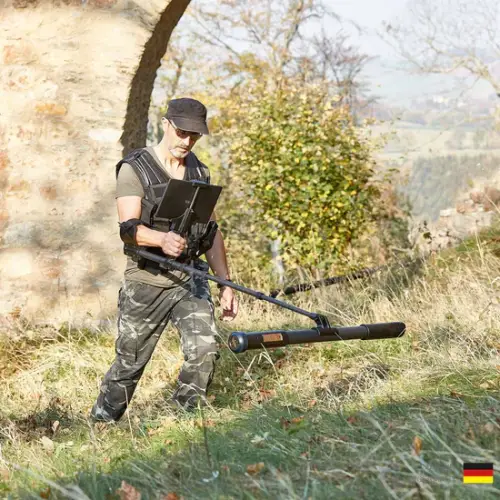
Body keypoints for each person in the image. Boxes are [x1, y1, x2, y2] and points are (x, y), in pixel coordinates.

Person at [90, 97, 238, 422]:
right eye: (182, 132)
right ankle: (100, 425)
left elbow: (212, 232)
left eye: (194, 135)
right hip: (146, 282)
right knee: (129, 364)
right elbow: (128, 229)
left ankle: (182, 422)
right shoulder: (135, 169)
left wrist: (226, 284)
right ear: (166, 124)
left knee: (204, 351)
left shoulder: (200, 171)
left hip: (190, 278)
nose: (187, 141)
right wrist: (161, 239)